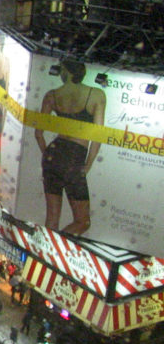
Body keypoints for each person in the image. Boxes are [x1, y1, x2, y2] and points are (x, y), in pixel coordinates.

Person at [34, 60, 106, 235]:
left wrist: (48, 156)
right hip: (75, 156)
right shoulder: (96, 95)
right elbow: (97, 138)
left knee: (51, 217)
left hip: (53, 153)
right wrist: (87, 166)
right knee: (83, 221)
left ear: (67, 72)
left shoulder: (52, 95)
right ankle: (56, 251)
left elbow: (38, 133)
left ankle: (46, 250)